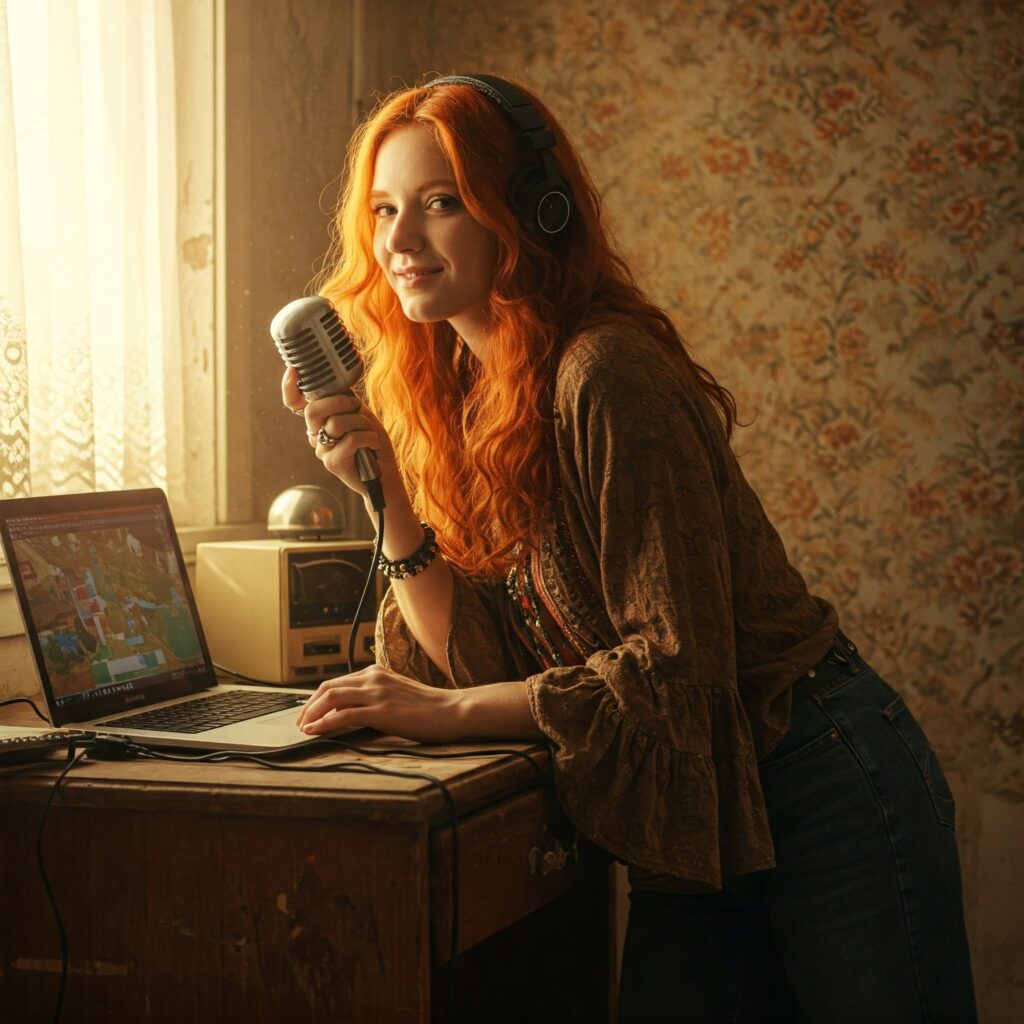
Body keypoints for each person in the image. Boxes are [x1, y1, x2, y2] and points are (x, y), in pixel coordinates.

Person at [281, 73, 977, 1023]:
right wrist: (386, 494)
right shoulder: (459, 398)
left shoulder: (603, 373)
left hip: (818, 782)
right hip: (693, 815)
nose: (399, 242)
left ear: (530, 212)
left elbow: (671, 671)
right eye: (383, 210)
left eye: (441, 204)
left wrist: (440, 716)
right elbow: (470, 657)